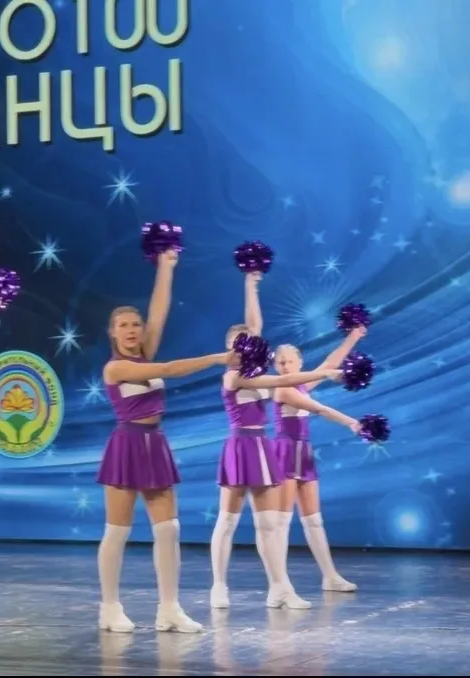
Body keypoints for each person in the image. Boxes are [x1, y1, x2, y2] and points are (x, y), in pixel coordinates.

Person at [96, 250, 232, 634]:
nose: (132, 330)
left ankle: (169, 609)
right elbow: (170, 369)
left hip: (155, 444)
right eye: (123, 325)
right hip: (126, 446)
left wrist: (166, 267)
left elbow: (160, 312)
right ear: (112, 333)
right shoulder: (115, 367)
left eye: (135, 324)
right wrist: (217, 358)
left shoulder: (145, 352)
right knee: (117, 530)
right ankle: (109, 608)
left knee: (169, 529)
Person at [210, 272, 341, 610]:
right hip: (240, 446)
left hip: (262, 448)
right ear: (228, 349)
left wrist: (252, 285)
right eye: (236, 344)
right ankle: (218, 586)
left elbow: (256, 329)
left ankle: (279, 589)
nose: (243, 346)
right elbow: (282, 379)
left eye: (246, 342)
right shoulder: (232, 376)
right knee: (228, 520)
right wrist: (323, 373)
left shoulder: (258, 374)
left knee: (269, 523)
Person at [270, 326, 367, 593]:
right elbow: (320, 409)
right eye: (281, 362)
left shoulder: (301, 384)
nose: (285, 366)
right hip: (285, 452)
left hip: (304, 452)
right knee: (282, 521)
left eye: (290, 361)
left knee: (313, 520)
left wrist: (353, 337)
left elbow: (329, 363)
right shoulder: (282, 389)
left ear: (299, 363)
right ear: (275, 366)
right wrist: (351, 422)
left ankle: (330, 576)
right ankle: (280, 584)